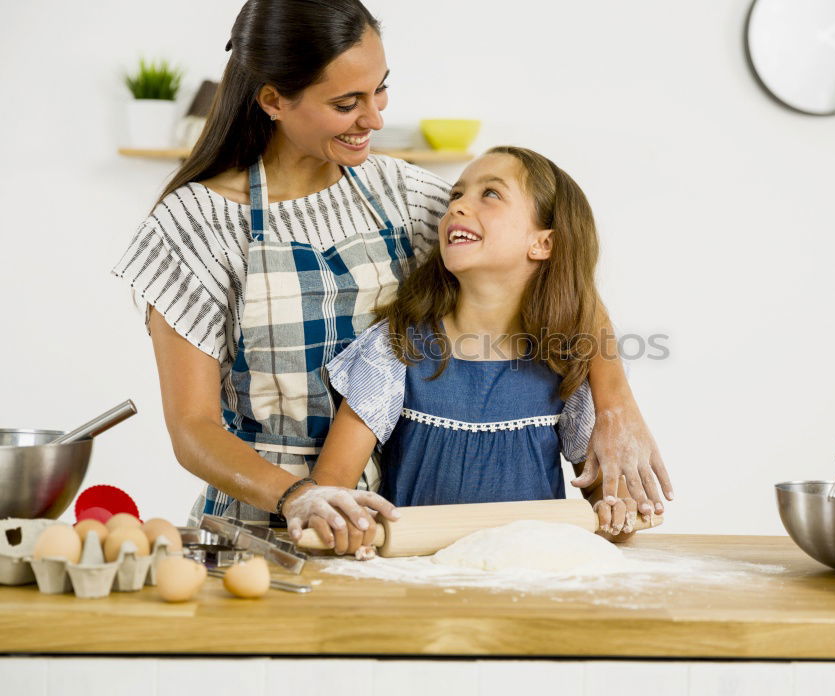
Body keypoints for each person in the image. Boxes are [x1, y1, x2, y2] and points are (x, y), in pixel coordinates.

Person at [110, 0, 672, 533]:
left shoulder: (401, 194)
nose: (374, 119)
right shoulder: (193, 228)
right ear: (274, 100)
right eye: (346, 103)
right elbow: (194, 430)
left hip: (388, 528)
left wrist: (615, 406)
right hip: (259, 530)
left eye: (381, 91)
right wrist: (299, 495)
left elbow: (557, 273)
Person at [289, 147, 645, 555]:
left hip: (528, 582)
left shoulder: (567, 362)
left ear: (543, 243)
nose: (457, 207)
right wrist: (333, 517)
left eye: (490, 194)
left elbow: (606, 505)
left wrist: (619, 514)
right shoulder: (394, 347)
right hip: (414, 582)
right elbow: (330, 488)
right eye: (455, 196)